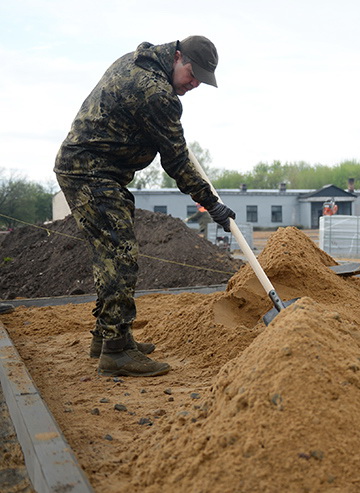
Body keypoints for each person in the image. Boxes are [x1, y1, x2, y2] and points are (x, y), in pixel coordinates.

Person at [54, 36, 235, 377]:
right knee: (120, 252)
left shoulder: (140, 62)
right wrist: (212, 204)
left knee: (112, 253)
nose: (195, 84)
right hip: (89, 172)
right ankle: (115, 351)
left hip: (99, 170)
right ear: (178, 57)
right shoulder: (155, 92)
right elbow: (177, 162)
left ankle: (105, 336)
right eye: (192, 74)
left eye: (201, 80)